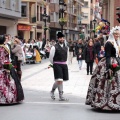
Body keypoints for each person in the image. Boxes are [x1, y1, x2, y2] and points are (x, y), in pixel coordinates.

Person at [85, 27, 120, 110]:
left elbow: (117, 55)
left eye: (118, 34)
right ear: (112, 34)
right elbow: (107, 56)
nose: (117, 35)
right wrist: (108, 68)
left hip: (116, 61)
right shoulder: (109, 43)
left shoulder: (117, 43)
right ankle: (104, 102)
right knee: (107, 81)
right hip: (109, 62)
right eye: (116, 34)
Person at [0, 35, 24, 104]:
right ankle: (7, 98)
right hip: (4, 68)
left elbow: (3, 60)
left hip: (3, 68)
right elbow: (4, 60)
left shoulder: (3, 48)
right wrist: (9, 68)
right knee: (7, 83)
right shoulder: (3, 48)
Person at [49, 32, 69, 101]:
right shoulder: (54, 47)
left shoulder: (66, 47)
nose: (62, 39)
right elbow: (51, 58)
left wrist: (66, 63)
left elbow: (67, 56)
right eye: (60, 38)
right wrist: (54, 64)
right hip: (57, 64)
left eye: (63, 38)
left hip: (64, 64)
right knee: (59, 80)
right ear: (58, 39)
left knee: (61, 80)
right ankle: (54, 91)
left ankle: (59, 94)